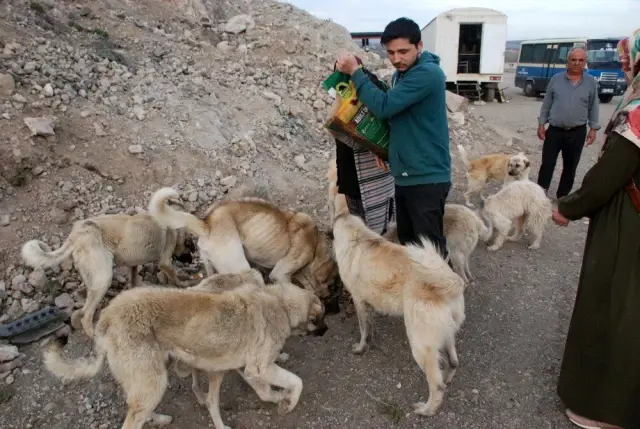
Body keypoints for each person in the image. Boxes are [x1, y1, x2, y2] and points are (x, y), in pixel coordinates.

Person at [551, 29, 640, 429]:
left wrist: (569, 206)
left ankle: (607, 409)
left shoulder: (639, 110)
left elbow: (610, 174)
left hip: (628, 224)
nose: (623, 62)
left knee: (616, 305)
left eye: (629, 56)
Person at [335, 17, 451, 258]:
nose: (397, 59)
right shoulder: (403, 75)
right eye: (390, 53)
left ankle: (446, 293)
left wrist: (356, 73)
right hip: (406, 175)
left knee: (431, 251)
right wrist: (385, 150)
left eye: (403, 51)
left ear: (419, 46)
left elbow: (385, 106)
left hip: (426, 176)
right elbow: (399, 119)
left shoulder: (428, 74)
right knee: (410, 243)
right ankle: (422, 295)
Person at [331, 57, 396, 235]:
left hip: (373, 172)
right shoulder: (341, 91)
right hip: (350, 173)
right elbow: (335, 129)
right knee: (362, 225)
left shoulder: (371, 85)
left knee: (382, 224)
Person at [536, 48, 601, 200]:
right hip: (554, 131)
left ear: (585, 62)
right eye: (573, 59)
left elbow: (594, 106)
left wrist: (593, 128)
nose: (576, 63)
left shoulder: (591, 82)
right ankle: (539, 195)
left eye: (580, 60)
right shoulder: (556, 79)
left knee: (570, 167)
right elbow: (547, 103)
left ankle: (562, 197)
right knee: (547, 164)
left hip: (577, 132)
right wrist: (541, 124)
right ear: (567, 61)